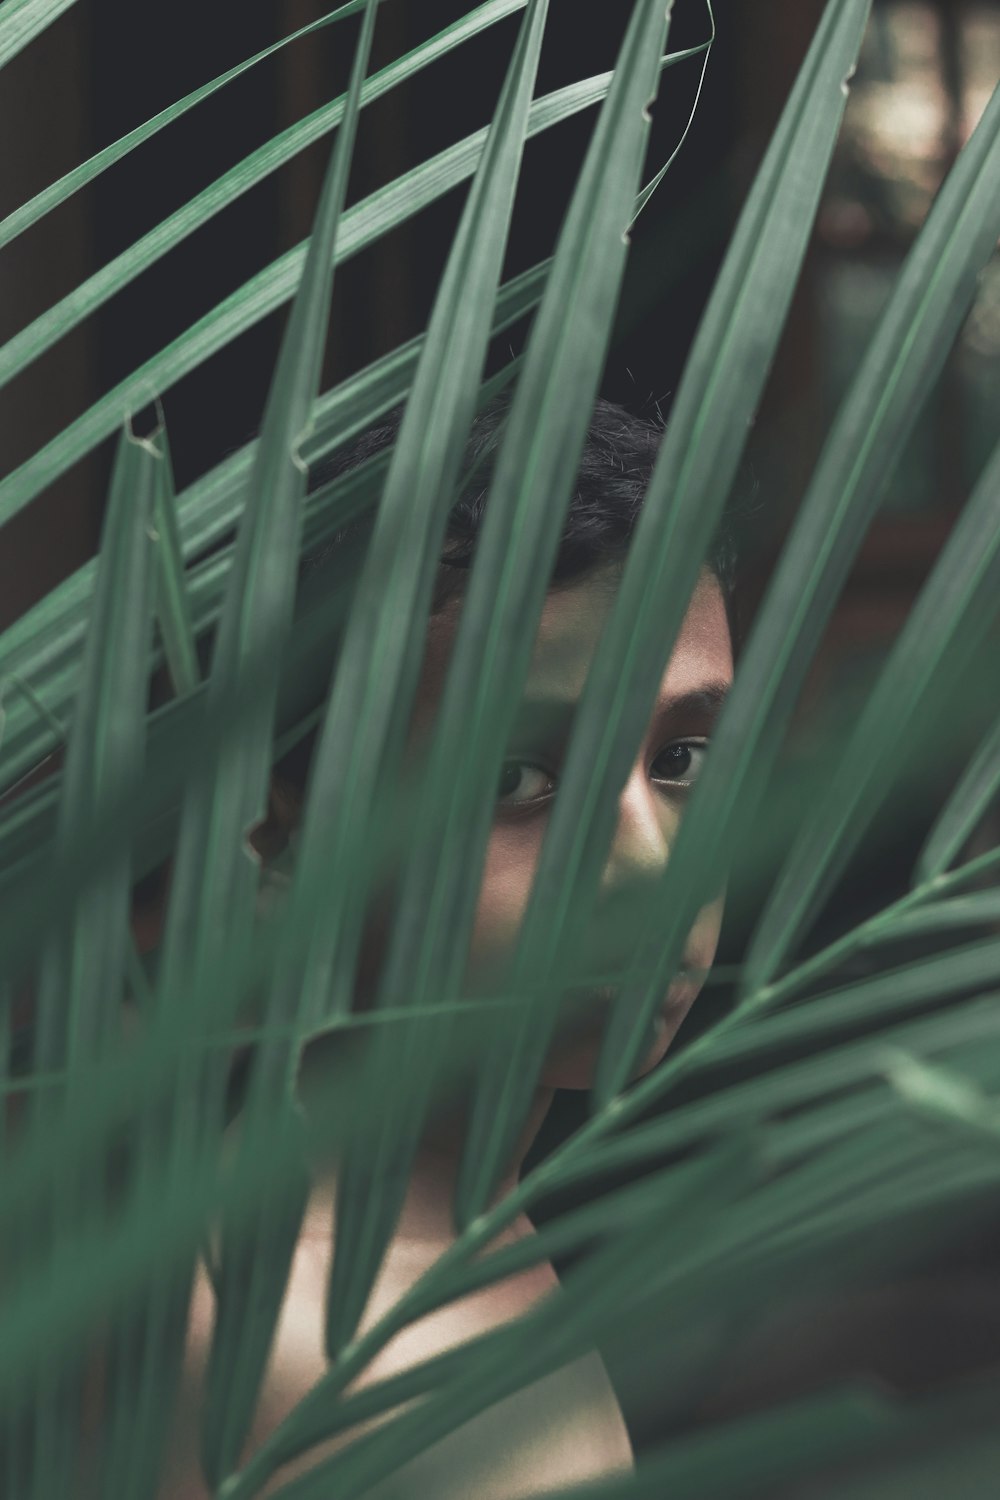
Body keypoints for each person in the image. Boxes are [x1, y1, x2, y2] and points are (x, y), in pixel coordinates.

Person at [160, 393, 738, 1498]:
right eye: (517, 778)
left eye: (682, 761)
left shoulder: (456, 1215)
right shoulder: (283, 1340)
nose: (648, 872)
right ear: (281, 833)